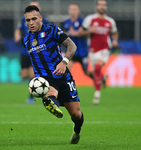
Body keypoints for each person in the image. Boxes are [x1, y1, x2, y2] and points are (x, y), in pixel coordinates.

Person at [22, 5, 84, 144]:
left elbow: (72, 46)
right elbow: (32, 59)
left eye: (33, 19)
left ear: (40, 18)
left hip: (62, 76)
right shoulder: (26, 40)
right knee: (50, 93)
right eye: (27, 20)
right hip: (44, 79)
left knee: (76, 114)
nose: (31, 23)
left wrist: (64, 62)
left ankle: (77, 131)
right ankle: (50, 102)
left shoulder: (52, 30)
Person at [70, 0, 118, 105]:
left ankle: (97, 96)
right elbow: (81, 32)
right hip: (92, 51)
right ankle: (103, 77)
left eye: (104, 5)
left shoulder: (110, 21)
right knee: (95, 72)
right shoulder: (90, 19)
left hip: (105, 49)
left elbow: (114, 33)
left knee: (97, 67)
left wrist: (114, 40)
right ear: (97, 7)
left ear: (106, 7)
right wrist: (89, 31)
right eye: (100, 5)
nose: (102, 7)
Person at [14, 0, 49, 103]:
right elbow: (19, 29)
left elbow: (47, 34)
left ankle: (31, 97)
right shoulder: (23, 19)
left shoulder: (44, 21)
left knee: (32, 75)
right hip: (25, 51)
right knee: (24, 75)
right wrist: (17, 35)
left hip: (36, 51)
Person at [63, 3, 93, 80]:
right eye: (71, 9)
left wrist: (77, 34)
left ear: (78, 11)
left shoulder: (83, 21)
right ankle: (67, 86)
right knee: (67, 69)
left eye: (75, 9)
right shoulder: (67, 22)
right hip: (72, 51)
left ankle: (97, 79)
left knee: (85, 71)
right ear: (69, 11)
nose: (73, 11)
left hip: (82, 51)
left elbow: (89, 32)